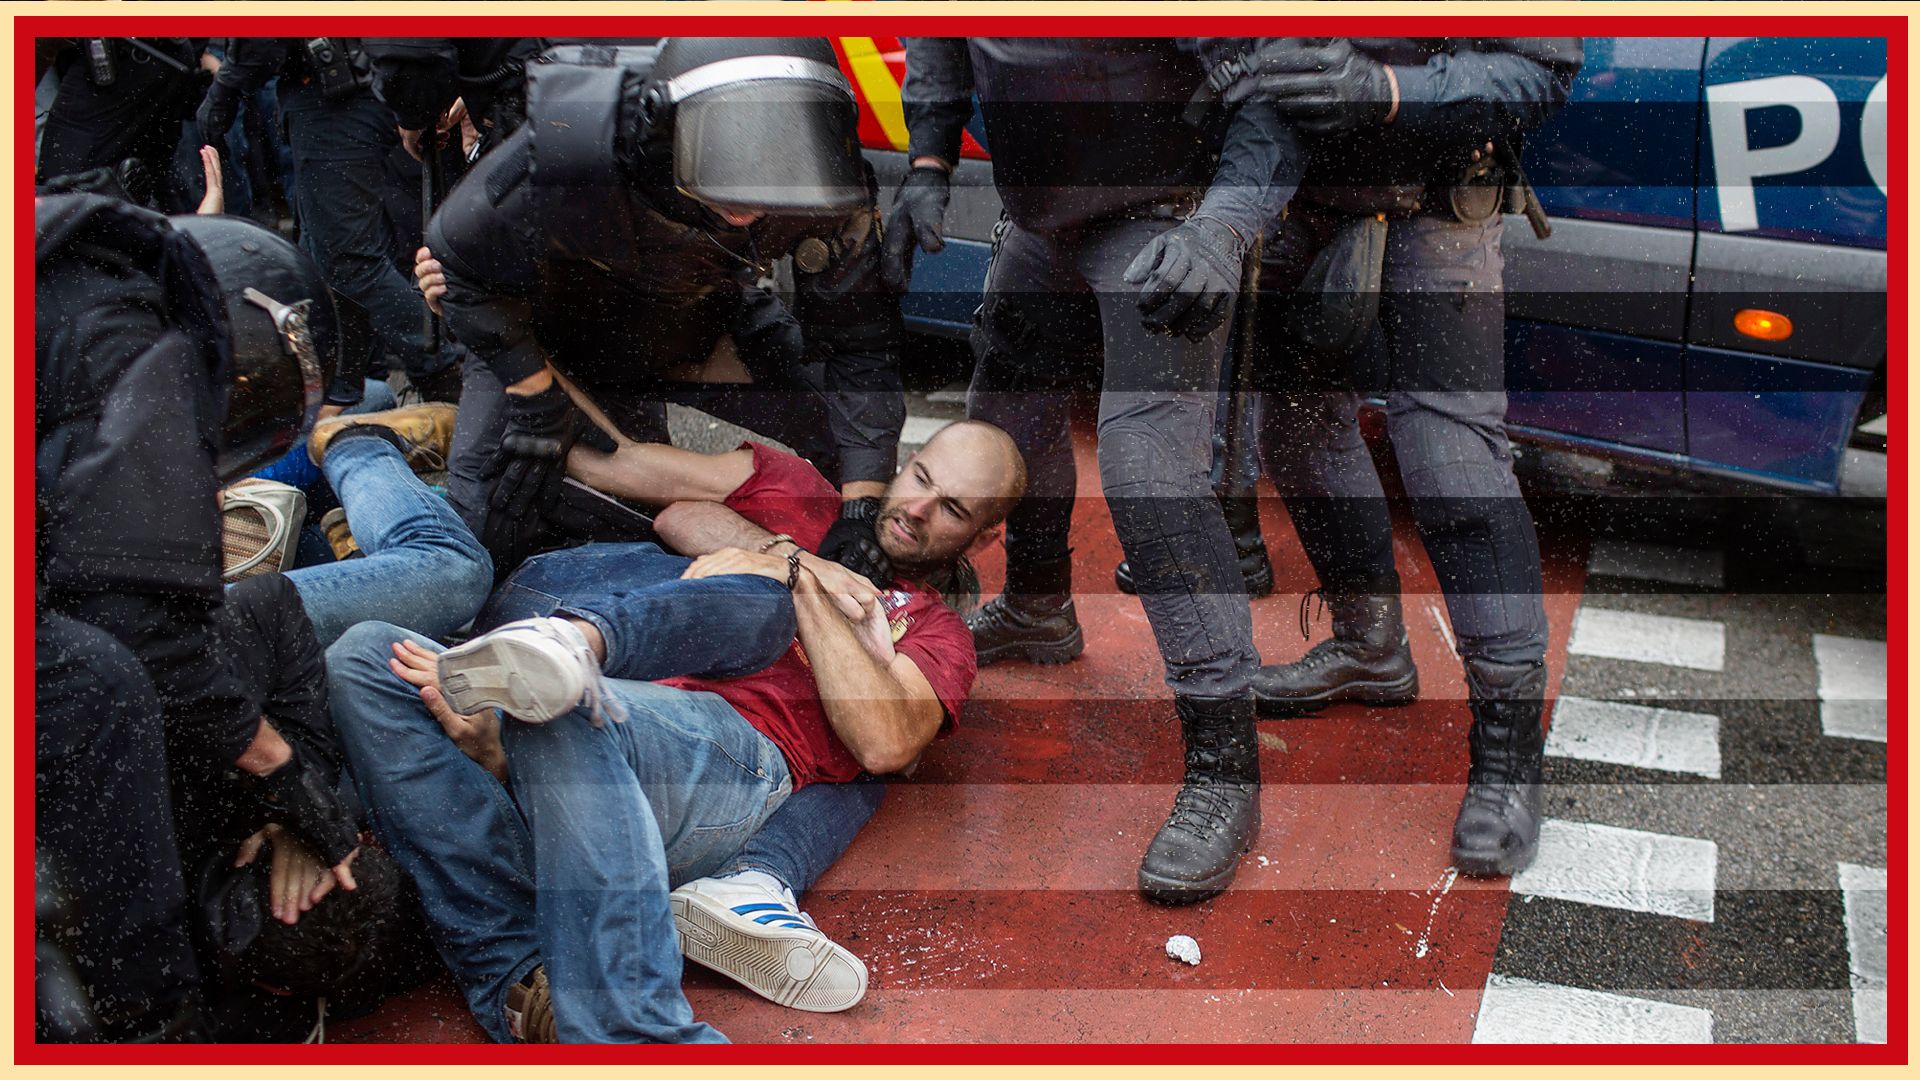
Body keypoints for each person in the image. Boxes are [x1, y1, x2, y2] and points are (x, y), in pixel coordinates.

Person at [326, 419, 1025, 1042]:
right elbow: (682, 519)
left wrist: (803, 590)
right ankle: (523, 975)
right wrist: (796, 556)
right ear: (904, 462)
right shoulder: (803, 493)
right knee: (364, 658)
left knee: (577, 698)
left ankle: (637, 1033)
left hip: (729, 759)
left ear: (984, 536)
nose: (918, 509)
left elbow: (886, 740)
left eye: (952, 509)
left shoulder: (936, 631)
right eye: (921, 479)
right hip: (615, 717)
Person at [888, 37, 1304, 904]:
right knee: (1002, 427)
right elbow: (938, 37)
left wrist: (1224, 228)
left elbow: (1274, 88)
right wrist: (928, 155)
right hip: (1042, 220)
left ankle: (1226, 770)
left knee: (1151, 472)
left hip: (1161, 215)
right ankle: (1039, 610)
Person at [1220, 37, 1584, 876]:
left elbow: (1539, 71)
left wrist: (1384, 88)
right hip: (1296, 197)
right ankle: (1371, 646)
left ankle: (1507, 758)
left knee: (1451, 458)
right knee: (1302, 432)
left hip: (1437, 202)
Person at [34, 194, 355, 1040]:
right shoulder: (133, 335)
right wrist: (285, 772)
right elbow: (133, 624)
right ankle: (150, 1024)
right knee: (99, 685)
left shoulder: (78, 289)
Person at [416, 37, 905, 584]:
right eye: (728, 157)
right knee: (485, 541)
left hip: (695, 317)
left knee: (850, 447)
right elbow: (456, 267)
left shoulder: (828, 180)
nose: (747, 206)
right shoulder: (581, 134)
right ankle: (381, 449)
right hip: (547, 332)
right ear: (666, 125)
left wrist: (863, 511)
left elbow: (860, 348)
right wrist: (536, 403)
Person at [194, 37, 464, 402]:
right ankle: (344, 387)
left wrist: (225, 88)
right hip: (357, 78)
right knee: (324, 255)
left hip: (337, 87)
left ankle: (446, 372)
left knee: (346, 258)